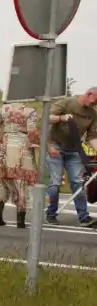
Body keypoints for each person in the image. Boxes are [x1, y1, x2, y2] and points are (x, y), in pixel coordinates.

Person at [45, 87, 97, 227]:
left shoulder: (93, 113)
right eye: (95, 101)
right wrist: (61, 118)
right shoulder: (67, 103)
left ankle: (84, 217)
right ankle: (51, 213)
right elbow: (46, 118)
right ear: (89, 94)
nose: (95, 105)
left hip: (74, 150)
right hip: (56, 146)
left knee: (77, 183)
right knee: (55, 182)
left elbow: (92, 137)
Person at [0, 100, 40, 228]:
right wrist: (38, 143)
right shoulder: (30, 112)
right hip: (22, 150)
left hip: (5, 149)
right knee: (22, 184)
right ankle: (20, 220)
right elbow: (32, 132)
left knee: (2, 182)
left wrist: (1, 139)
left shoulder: (4, 109)